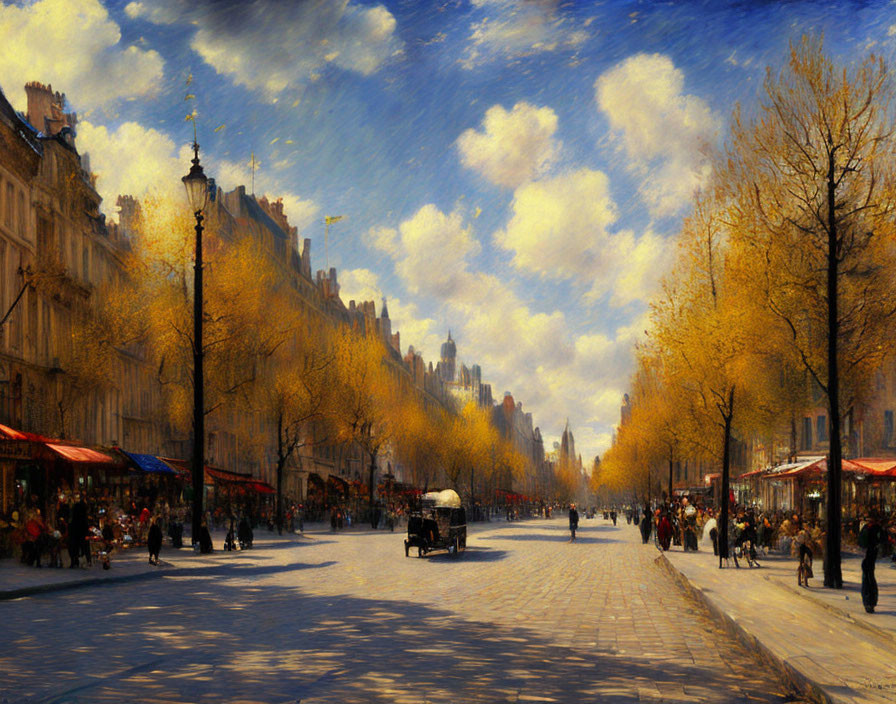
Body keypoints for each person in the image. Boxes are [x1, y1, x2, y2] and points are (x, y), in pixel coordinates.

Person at [859, 513, 885, 613]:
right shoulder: (875, 529)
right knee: (868, 578)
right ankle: (870, 602)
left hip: (869, 556)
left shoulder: (870, 529)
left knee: (867, 578)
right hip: (870, 556)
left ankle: (869, 602)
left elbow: (861, 543)